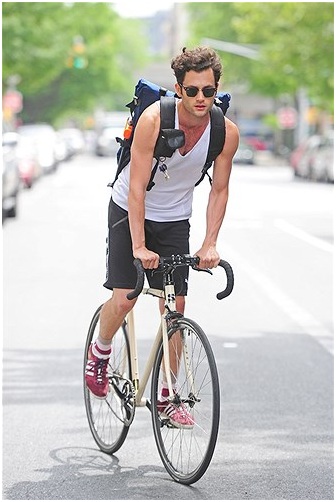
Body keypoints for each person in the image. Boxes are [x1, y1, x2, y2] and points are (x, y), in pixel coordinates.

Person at [85, 46, 239, 427]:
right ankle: (100, 351)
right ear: (178, 89)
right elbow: (136, 188)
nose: (201, 99)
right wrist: (138, 245)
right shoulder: (154, 121)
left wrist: (210, 243)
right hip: (129, 209)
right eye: (192, 91)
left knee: (175, 307)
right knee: (125, 298)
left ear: (216, 89)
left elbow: (219, 190)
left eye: (208, 91)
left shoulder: (225, 132)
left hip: (174, 219)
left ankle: (168, 396)